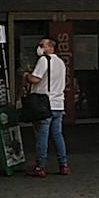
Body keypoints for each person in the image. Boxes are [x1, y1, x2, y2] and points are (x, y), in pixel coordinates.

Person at [24, 37, 69, 178]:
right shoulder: (61, 62)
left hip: (44, 103)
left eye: (42, 45)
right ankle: (64, 164)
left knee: (42, 135)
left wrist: (26, 75)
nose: (40, 47)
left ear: (50, 47)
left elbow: (35, 79)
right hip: (58, 103)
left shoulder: (44, 60)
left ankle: (40, 166)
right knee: (57, 135)